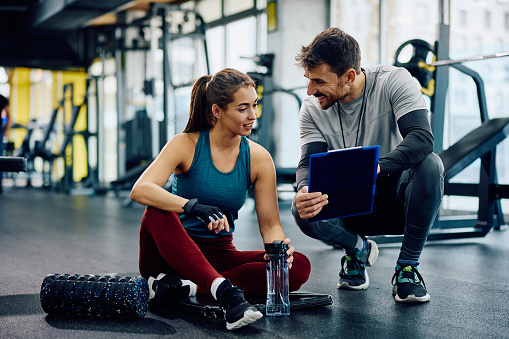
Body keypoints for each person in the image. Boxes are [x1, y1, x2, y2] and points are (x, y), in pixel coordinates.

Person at [130, 68, 311, 330]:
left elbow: (271, 225)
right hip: (168, 256)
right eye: (243, 108)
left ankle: (192, 286)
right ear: (217, 111)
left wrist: (278, 254)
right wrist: (192, 207)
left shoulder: (258, 158)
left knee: (297, 267)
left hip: (218, 254)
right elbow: (141, 189)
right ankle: (224, 291)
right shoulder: (186, 144)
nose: (253, 115)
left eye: (255, 105)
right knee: (157, 211)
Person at [292, 27, 444, 303]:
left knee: (431, 165)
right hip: (346, 204)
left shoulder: (394, 81)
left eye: (318, 81)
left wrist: (375, 167)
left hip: (395, 198)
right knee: (301, 207)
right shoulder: (311, 108)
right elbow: (307, 162)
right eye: (308, 79)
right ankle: (357, 249)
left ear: (349, 76)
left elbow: (421, 139)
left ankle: (407, 268)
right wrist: (303, 188)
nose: (310, 90)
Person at [0, 94, 11, 193]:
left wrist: (7, 130)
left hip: (0, 130)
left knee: (0, 157)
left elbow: (8, 114)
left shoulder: (2, 99)